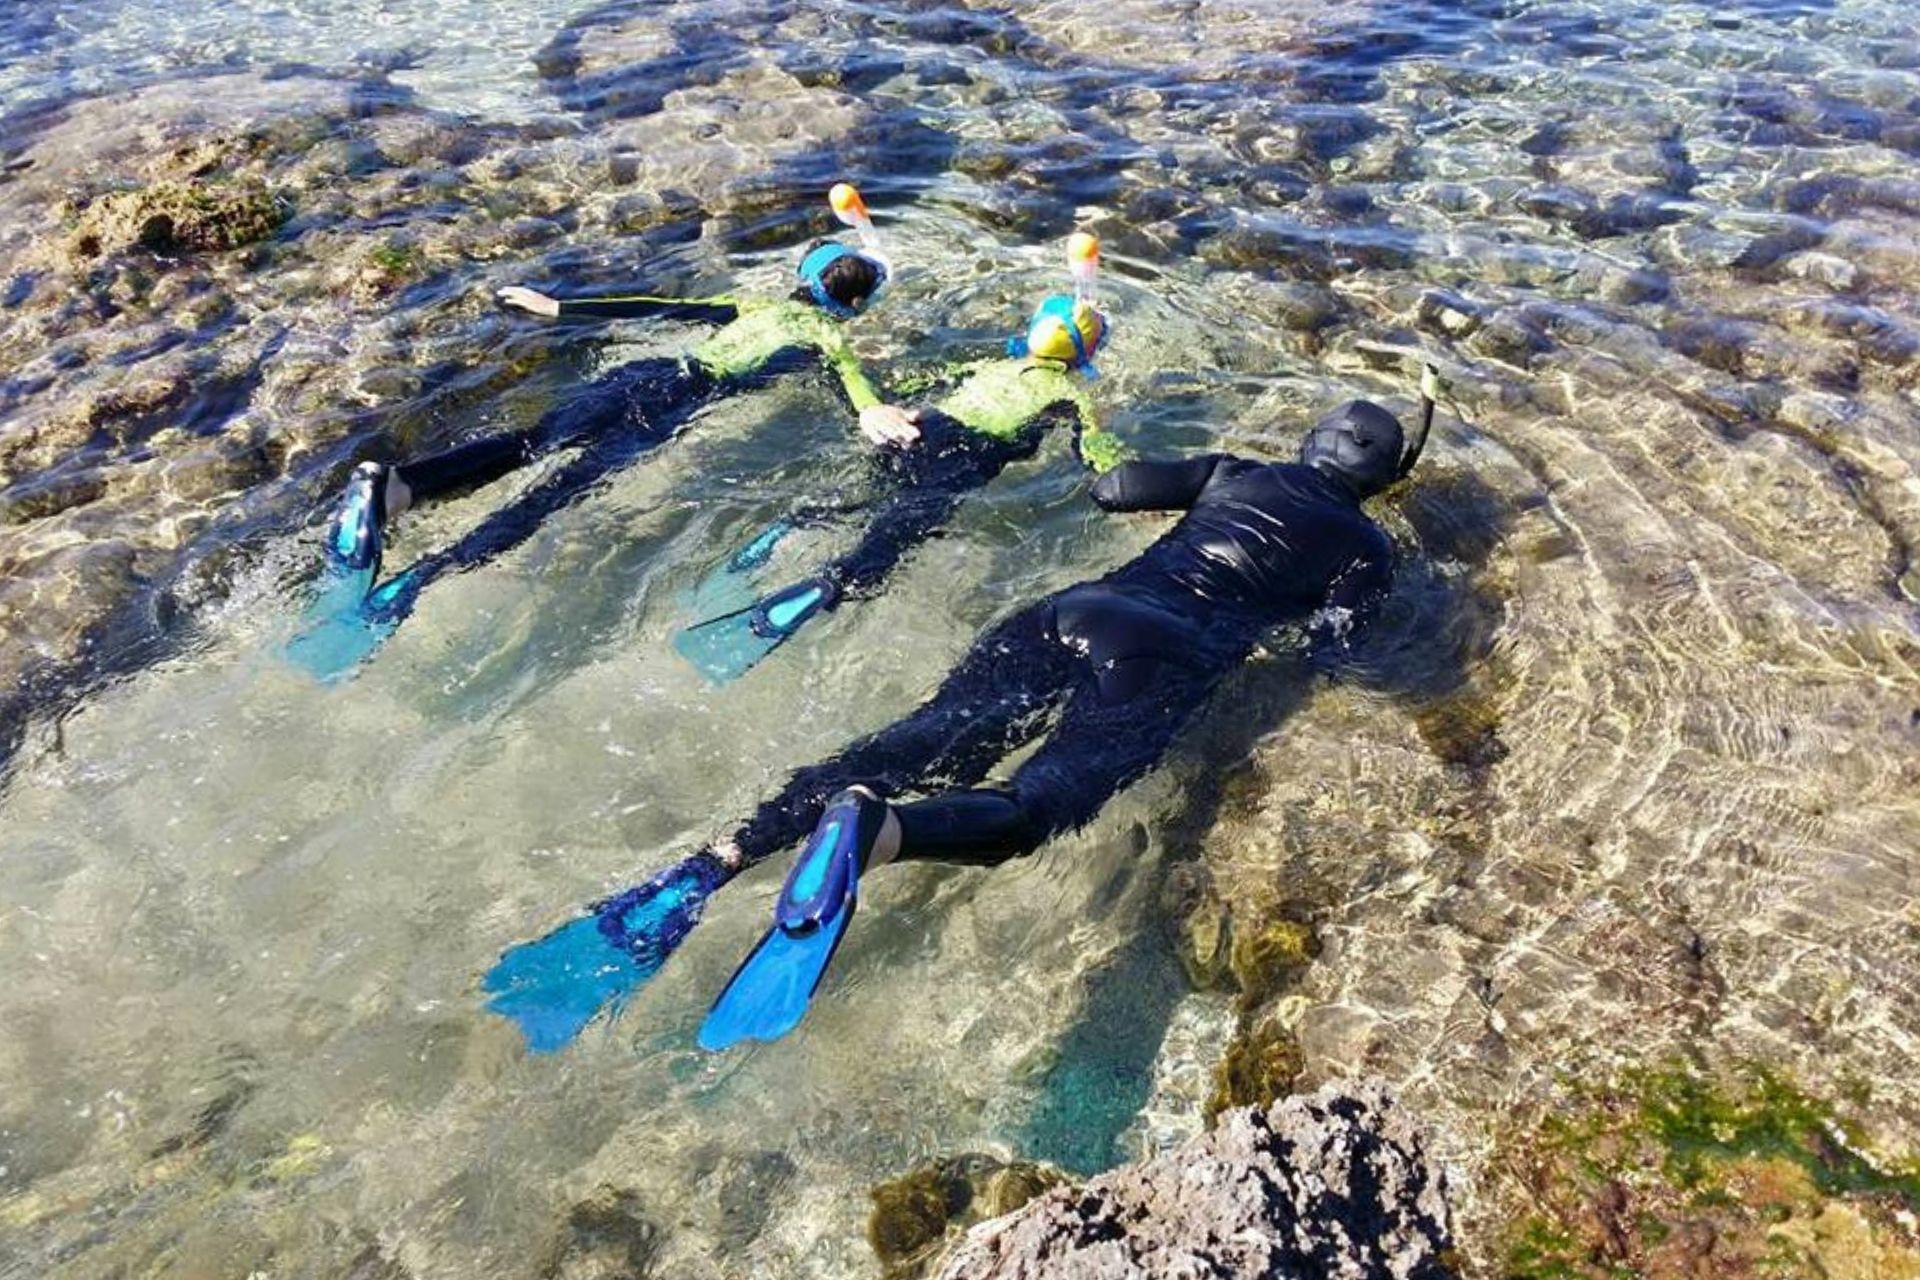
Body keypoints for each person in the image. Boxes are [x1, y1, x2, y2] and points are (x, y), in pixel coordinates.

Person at [483, 371, 1441, 1053]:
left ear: (1310, 444)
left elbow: (1114, 487)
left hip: (1078, 605)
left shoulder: (1237, 470)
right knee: (1034, 807)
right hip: (1164, 659)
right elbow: (1344, 652)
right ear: (1382, 481)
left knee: (917, 738)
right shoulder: (1367, 547)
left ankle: (721, 858)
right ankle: (879, 830)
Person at [285, 212, 896, 679]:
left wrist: (560, 307)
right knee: (553, 495)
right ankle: (424, 576)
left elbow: (657, 306)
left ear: (801, 280)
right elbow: (855, 388)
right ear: (851, 307)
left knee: (529, 441)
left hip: (643, 374)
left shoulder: (749, 304)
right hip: (671, 406)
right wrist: (874, 414)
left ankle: (396, 486)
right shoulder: (827, 340)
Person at [674, 288, 1133, 681]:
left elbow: (931, 379)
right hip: (960, 457)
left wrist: (887, 400)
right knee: (886, 544)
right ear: (1085, 356)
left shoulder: (993, 366)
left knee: (854, 503)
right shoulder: (1068, 396)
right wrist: (1123, 481)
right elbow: (1094, 449)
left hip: (917, 429)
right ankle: (821, 590)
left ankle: (779, 536)